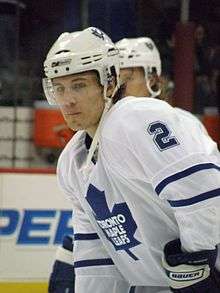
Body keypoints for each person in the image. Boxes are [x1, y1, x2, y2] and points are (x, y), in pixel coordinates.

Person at [85, 36, 220, 292]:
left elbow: (207, 195)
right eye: (116, 79)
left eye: (128, 78)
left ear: (155, 80)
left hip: (180, 272)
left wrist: (194, 262)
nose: (119, 88)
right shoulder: (98, 139)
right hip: (144, 275)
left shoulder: (181, 122)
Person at [43, 27, 141, 293]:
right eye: (59, 88)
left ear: (109, 82)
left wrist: (198, 261)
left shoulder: (142, 128)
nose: (68, 100)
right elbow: (93, 247)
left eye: (79, 85)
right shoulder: (71, 162)